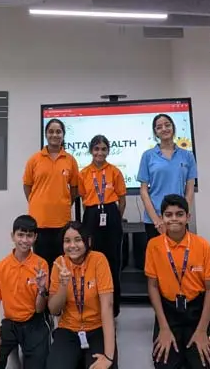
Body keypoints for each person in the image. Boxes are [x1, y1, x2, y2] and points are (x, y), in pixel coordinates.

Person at [145, 195, 210, 369]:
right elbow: (153, 286)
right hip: (169, 310)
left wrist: (202, 331)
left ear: (188, 217)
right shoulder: (154, 246)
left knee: (204, 365)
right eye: (168, 215)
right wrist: (163, 327)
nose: (174, 219)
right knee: (163, 364)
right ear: (162, 218)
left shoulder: (203, 246)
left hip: (196, 310)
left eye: (179, 214)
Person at [0, 215, 50, 369]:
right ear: (13, 236)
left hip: (34, 322)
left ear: (35, 237)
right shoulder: (0, 268)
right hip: (11, 323)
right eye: (20, 235)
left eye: (29, 236)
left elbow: (39, 309)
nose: (24, 240)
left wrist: (42, 289)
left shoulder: (41, 265)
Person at [47, 221, 117, 369]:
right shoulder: (59, 264)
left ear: (88, 241)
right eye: (67, 241)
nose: (72, 245)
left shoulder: (98, 260)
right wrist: (63, 285)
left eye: (78, 240)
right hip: (68, 329)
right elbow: (54, 310)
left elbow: (107, 306)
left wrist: (109, 357)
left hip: (96, 327)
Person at [78, 134, 127, 318]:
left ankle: (113, 309)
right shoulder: (83, 173)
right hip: (91, 217)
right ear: (91, 150)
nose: (100, 152)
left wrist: (115, 218)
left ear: (108, 151)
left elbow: (122, 200)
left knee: (113, 263)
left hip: (111, 216)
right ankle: (94, 307)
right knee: (91, 261)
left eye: (104, 149)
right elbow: (83, 199)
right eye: (96, 149)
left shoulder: (115, 171)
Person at [23, 118, 79, 268]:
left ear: (63, 135)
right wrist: (37, 202)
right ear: (46, 134)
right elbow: (27, 186)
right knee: (42, 264)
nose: (55, 135)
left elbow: (74, 189)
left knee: (62, 264)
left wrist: (63, 203)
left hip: (62, 221)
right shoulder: (34, 159)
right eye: (51, 131)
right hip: (40, 220)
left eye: (58, 132)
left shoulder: (70, 160)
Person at [138, 114, 197, 240]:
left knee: (181, 251)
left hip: (178, 218)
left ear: (173, 127)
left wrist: (183, 214)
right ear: (155, 132)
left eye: (167, 125)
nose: (164, 129)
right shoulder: (148, 156)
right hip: (155, 219)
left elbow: (190, 189)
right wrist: (157, 220)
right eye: (159, 127)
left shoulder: (187, 156)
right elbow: (143, 191)